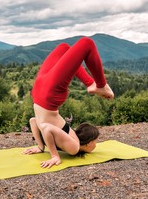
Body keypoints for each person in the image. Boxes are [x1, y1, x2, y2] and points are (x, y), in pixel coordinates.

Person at [23, 37, 114, 168]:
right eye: (96, 141)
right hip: (40, 95)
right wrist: (47, 150)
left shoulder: (72, 145)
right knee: (67, 47)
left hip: (45, 94)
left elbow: (39, 124)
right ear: (89, 143)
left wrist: (45, 150)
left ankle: (95, 84)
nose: (96, 145)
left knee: (79, 45)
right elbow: (39, 124)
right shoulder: (73, 145)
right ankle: (96, 84)